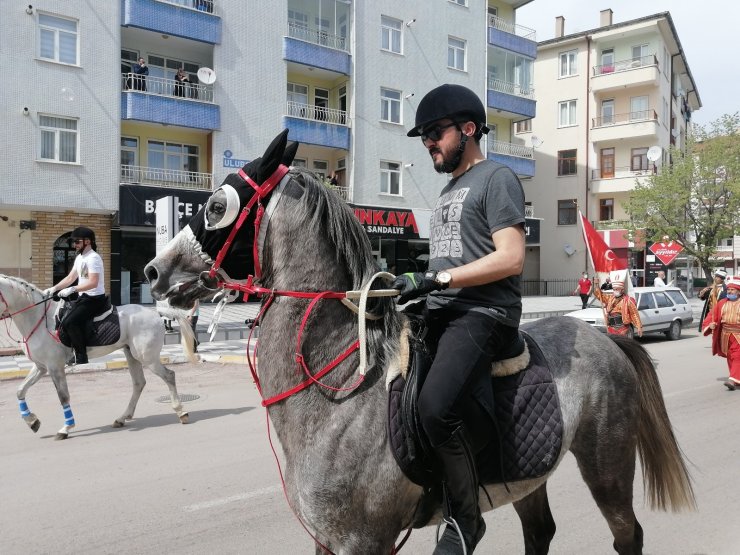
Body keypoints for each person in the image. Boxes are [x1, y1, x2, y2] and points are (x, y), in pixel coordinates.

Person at [392, 83, 525, 554]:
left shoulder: (497, 177)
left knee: (435, 407)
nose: (428, 141)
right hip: (443, 309)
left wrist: (441, 280)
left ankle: (466, 522)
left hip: (483, 311)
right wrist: (411, 287)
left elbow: (511, 258)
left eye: (435, 131)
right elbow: (444, 263)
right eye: (424, 135)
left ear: (468, 129)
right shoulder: (450, 188)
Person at [43, 227, 106, 365]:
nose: (74, 245)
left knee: (70, 322)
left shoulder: (94, 258)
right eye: (74, 242)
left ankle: (81, 356)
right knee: (60, 316)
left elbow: (93, 283)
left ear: (87, 241)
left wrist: (73, 289)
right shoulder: (80, 257)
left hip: (94, 298)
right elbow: (71, 277)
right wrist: (54, 288)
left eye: (77, 242)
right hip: (84, 297)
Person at [704, 276, 740, 390]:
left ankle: (732, 379)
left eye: (732, 290)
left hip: (739, 334)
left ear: (738, 291)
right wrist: (711, 325)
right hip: (725, 335)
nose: (729, 291)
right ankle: (736, 378)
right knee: (730, 356)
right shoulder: (721, 303)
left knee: (737, 356)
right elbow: (712, 316)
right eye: (728, 289)